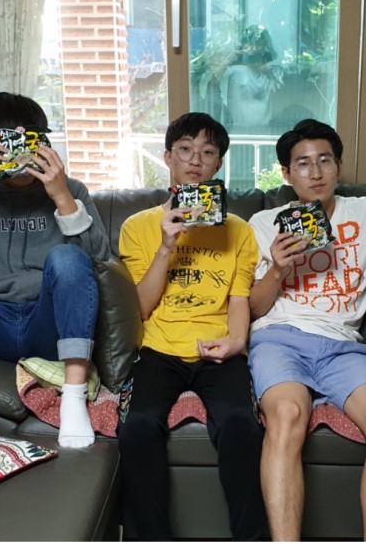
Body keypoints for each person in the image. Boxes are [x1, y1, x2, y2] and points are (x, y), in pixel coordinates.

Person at [247, 119, 366, 541]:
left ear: (338, 165)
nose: (315, 172)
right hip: (279, 338)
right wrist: (278, 269)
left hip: (343, 347)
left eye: (325, 161)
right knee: (286, 414)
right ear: (287, 173)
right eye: (303, 164)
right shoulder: (264, 222)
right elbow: (254, 309)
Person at [0, 92, 110, 449]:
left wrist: (61, 196)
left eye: (30, 142)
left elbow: (99, 262)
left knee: (67, 257)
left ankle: (73, 399)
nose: (20, 156)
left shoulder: (71, 190)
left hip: (47, 322)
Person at [117, 112, 267, 541]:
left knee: (241, 424)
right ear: (168, 158)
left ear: (218, 164)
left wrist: (235, 342)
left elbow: (239, 298)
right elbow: (141, 308)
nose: (195, 160)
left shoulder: (238, 230)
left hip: (218, 348)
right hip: (159, 349)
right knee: (138, 425)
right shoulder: (138, 226)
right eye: (185, 149)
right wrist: (167, 247)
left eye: (207, 152)